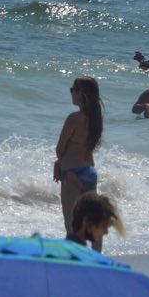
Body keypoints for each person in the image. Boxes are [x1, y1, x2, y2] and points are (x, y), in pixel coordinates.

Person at [53, 76, 103, 236]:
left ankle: (73, 252)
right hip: (90, 172)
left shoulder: (74, 118)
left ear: (82, 94)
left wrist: (59, 163)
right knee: (88, 224)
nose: (71, 93)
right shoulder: (96, 119)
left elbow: (60, 148)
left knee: (71, 225)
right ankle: (93, 251)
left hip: (72, 173)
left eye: (73, 90)